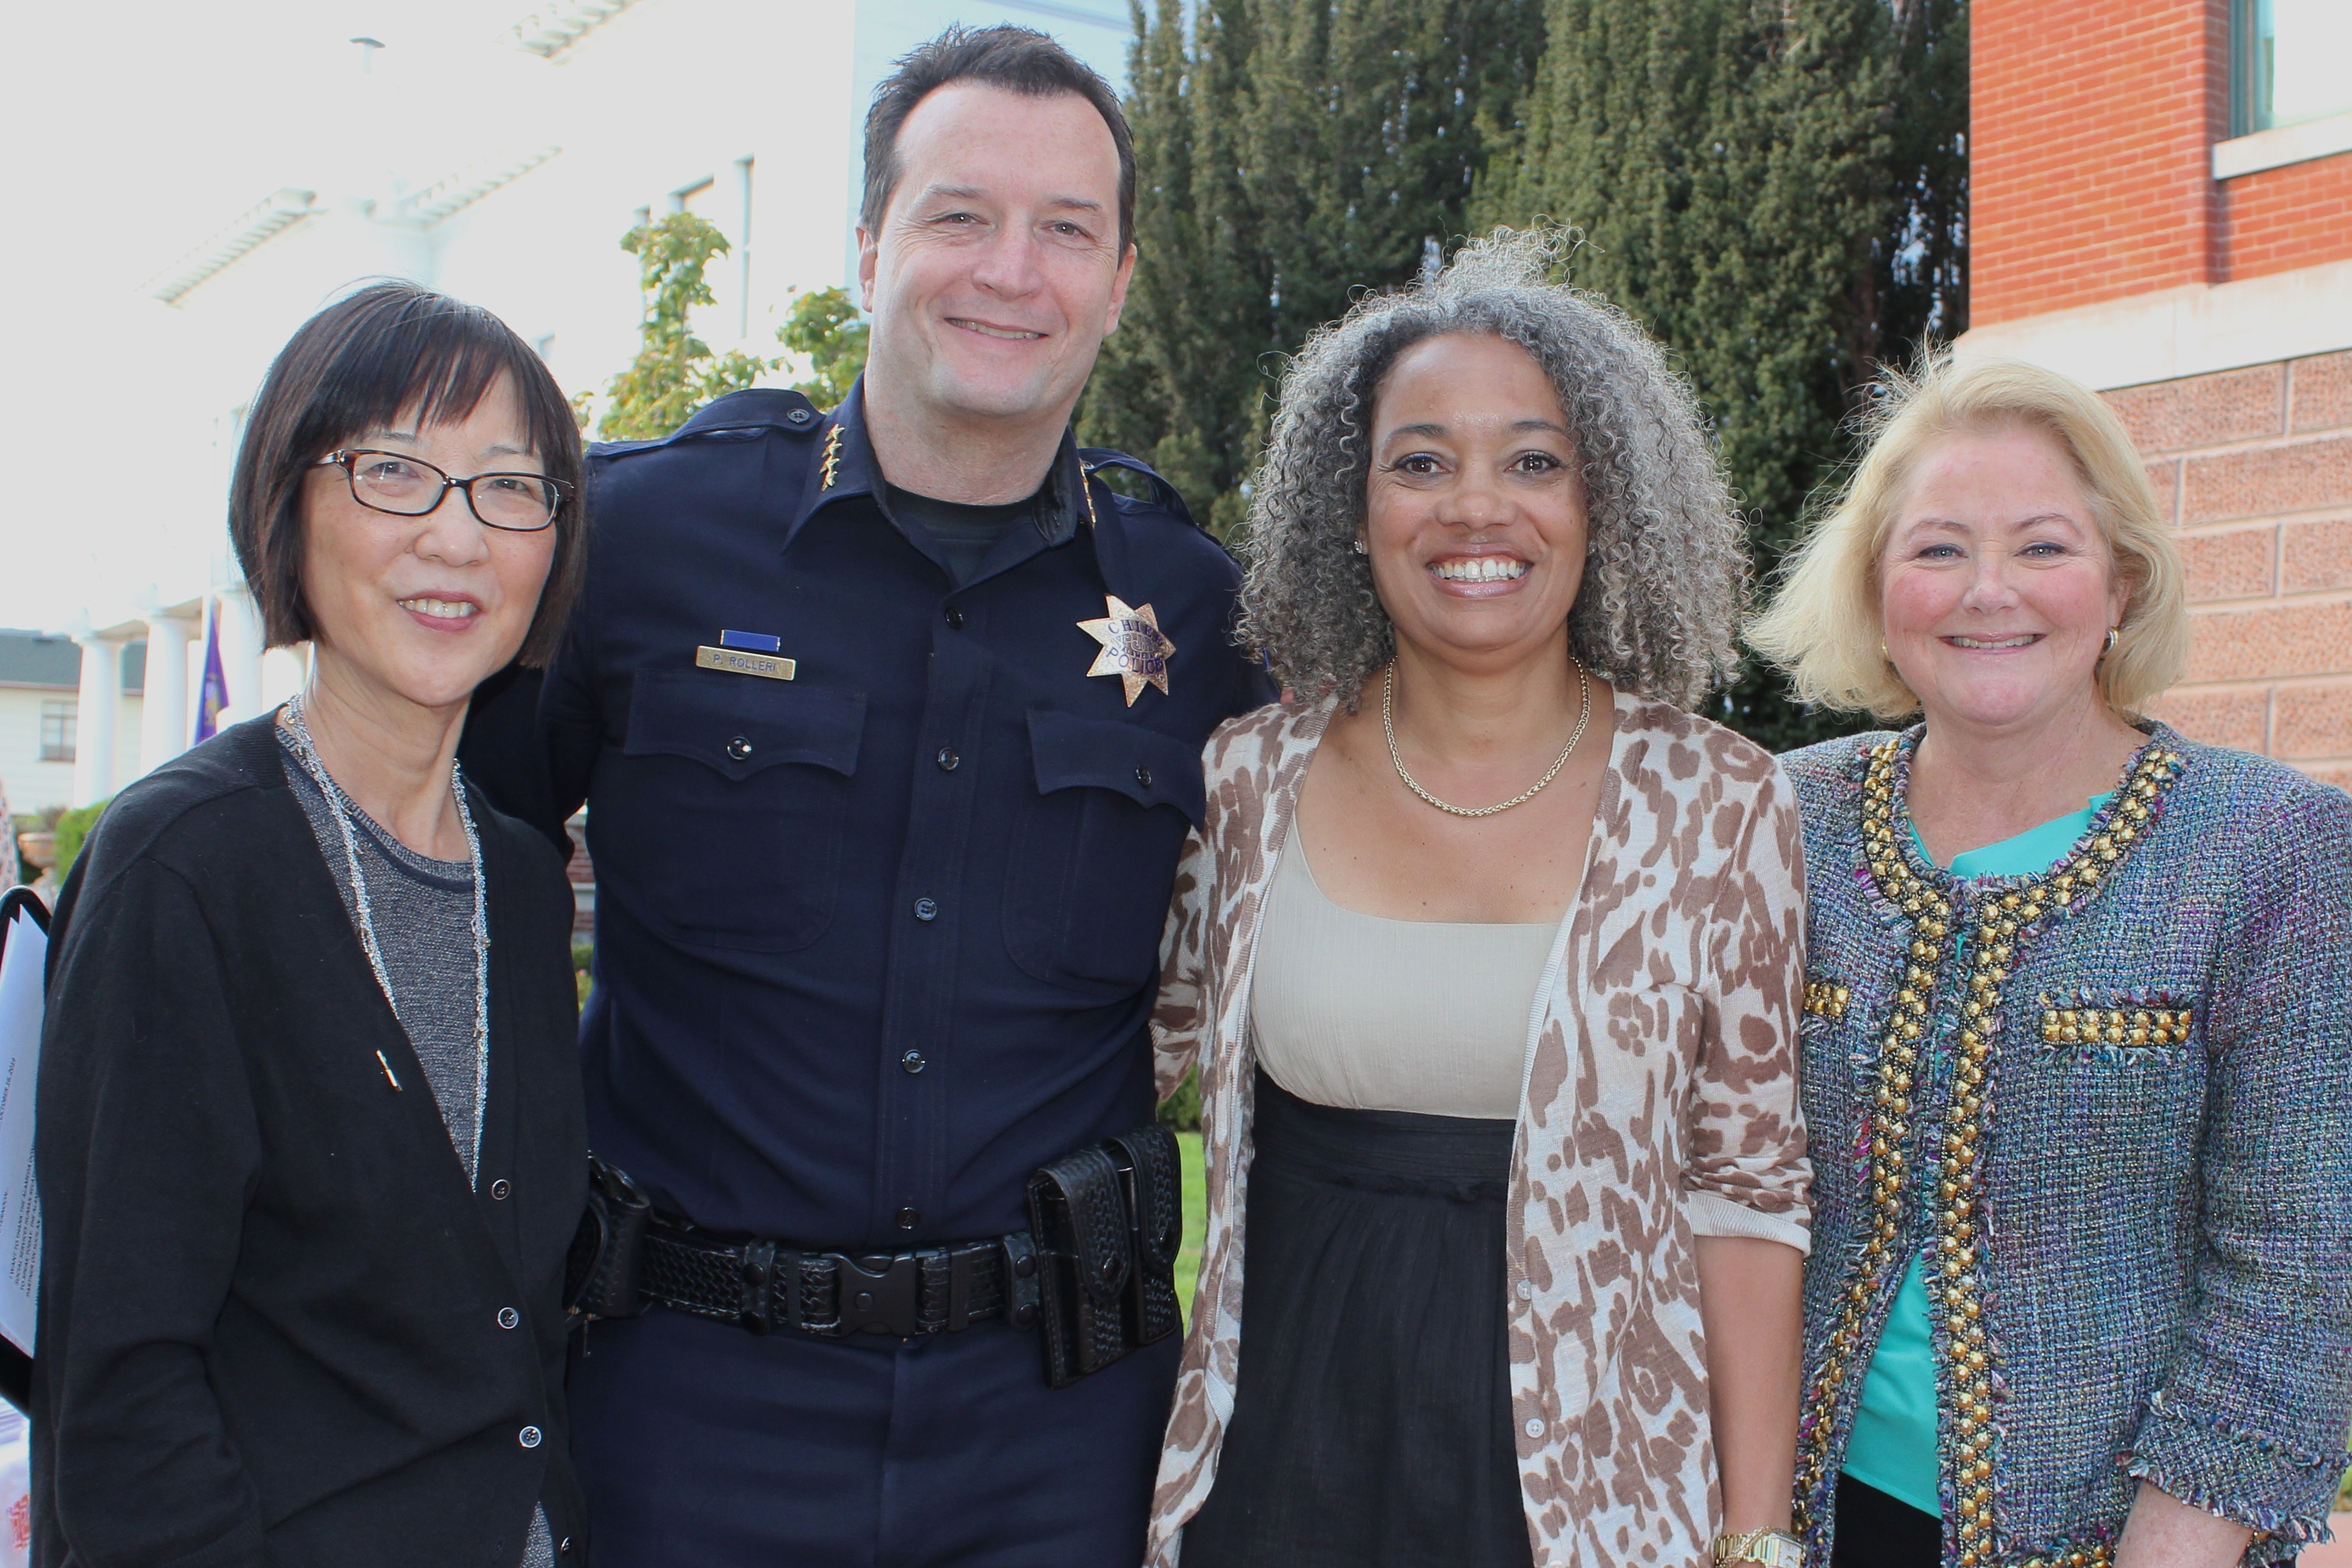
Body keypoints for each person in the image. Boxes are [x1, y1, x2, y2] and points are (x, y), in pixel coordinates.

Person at [457, 24, 1274, 1566]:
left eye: (1066, 231)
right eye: (960, 216)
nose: (1009, 271)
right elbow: (436, 888)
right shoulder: (635, 545)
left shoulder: (1203, 611)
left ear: (1121, 276)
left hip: (1057, 1434)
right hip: (682, 1408)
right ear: (868, 244)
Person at [1146, 229, 1813, 1568]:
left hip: (1597, 1491)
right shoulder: (1242, 781)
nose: (1476, 507)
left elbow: (1747, 1190)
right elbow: (1108, 1064)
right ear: (1353, 507)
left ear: (1602, 499)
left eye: (1534, 461)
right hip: (1281, 1456)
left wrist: (1755, 1538)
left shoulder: (1720, 798)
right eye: (1421, 462)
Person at [1748, 354, 2352, 1567]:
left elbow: (2298, 1263)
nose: (1988, 592)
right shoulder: (1782, 817)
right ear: (1875, 590)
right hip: (1799, 1520)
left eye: (2041, 547)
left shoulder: (2270, 845)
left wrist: (2173, 1548)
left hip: (2131, 1538)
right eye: (1936, 550)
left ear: (2122, 582)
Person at [33, 281, 591, 1566]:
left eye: (509, 487)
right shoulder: (187, 866)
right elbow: (123, 1386)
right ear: (288, 504)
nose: (457, 539)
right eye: (395, 471)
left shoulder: (516, 876)